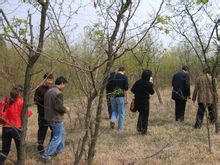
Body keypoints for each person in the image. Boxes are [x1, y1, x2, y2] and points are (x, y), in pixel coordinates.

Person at [0, 85, 32, 164]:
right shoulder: (21, 101)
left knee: (5, 150)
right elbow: (26, 114)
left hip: (6, 127)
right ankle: (20, 163)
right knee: (20, 149)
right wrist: (30, 112)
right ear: (20, 92)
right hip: (16, 128)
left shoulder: (5, 100)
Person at [41, 76, 69, 161]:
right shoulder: (58, 93)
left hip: (48, 117)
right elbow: (58, 107)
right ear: (61, 84)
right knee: (57, 137)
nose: (64, 86)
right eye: (64, 84)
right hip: (56, 118)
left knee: (61, 133)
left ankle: (60, 151)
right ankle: (47, 155)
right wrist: (66, 109)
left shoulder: (49, 91)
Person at [34, 73, 54, 155]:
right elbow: (36, 101)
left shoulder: (51, 89)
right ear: (44, 79)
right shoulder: (39, 89)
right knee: (42, 132)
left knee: (55, 130)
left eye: (51, 80)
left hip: (51, 114)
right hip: (42, 114)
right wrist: (46, 98)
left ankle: (51, 146)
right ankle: (40, 148)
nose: (50, 81)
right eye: (48, 79)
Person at [131, 69, 155, 135]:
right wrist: (151, 84)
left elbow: (132, 90)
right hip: (145, 103)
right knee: (145, 116)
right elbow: (152, 92)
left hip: (137, 102)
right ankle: (144, 131)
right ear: (149, 76)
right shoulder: (149, 84)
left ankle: (139, 128)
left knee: (141, 114)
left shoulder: (137, 82)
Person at [109, 67, 128, 132]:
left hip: (112, 96)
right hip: (120, 97)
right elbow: (125, 89)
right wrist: (126, 99)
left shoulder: (112, 77)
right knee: (121, 113)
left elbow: (108, 87)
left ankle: (113, 120)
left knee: (114, 110)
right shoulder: (124, 77)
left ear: (118, 70)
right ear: (124, 71)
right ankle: (120, 129)